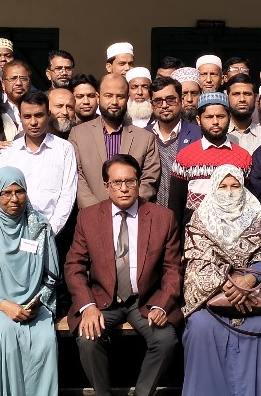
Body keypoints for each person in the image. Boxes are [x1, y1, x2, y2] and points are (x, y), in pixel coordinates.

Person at [67, 155, 182, 396]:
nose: (124, 188)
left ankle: (142, 393)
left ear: (139, 182)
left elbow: (173, 269)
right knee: (88, 339)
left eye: (130, 181)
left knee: (165, 341)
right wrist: (87, 306)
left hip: (146, 301)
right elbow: (74, 266)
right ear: (106, 186)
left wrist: (162, 305)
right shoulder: (88, 217)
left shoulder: (162, 218)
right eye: (117, 182)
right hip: (102, 300)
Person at [0, 168, 60, 396]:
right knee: (3, 332)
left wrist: (37, 303)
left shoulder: (39, 228)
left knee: (44, 338)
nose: (14, 199)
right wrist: (4, 305)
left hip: (32, 307)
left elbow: (51, 278)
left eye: (19, 191)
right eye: (6, 193)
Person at [182, 165, 261, 396]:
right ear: (214, 188)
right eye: (223, 186)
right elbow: (196, 261)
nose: (229, 192)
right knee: (200, 327)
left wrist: (250, 279)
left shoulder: (256, 216)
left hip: (252, 297)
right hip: (212, 297)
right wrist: (227, 285)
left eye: (235, 186)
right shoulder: (200, 218)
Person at [0, 91, 79, 236]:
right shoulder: (8, 152)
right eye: (27, 116)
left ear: (49, 115)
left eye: (39, 115)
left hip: (53, 232)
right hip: (14, 231)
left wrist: (50, 231)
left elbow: (68, 194)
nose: (33, 122)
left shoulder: (64, 149)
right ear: (20, 117)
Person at [69, 74, 161, 208]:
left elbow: (149, 180)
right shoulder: (78, 134)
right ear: (98, 97)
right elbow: (77, 178)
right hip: (91, 214)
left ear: (128, 98)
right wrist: (98, 212)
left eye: (120, 96)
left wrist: (127, 206)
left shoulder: (145, 138)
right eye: (108, 96)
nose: (114, 102)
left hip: (132, 213)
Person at [169, 92, 254, 224]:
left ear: (229, 118)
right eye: (209, 117)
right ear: (198, 120)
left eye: (220, 116)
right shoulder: (185, 156)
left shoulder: (243, 157)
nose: (215, 122)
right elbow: (176, 205)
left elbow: (248, 203)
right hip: (194, 232)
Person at [146, 76, 202, 208]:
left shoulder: (198, 135)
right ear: (152, 105)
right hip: (151, 213)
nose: (164, 105)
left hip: (187, 212)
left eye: (170, 100)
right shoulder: (143, 135)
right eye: (158, 101)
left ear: (181, 101)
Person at [225, 74, 261, 154]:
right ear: (227, 97)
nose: (242, 99)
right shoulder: (218, 135)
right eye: (236, 94)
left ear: (255, 97)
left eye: (247, 94)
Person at [2, 60, 34, 135]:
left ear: (30, 83)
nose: (18, 83)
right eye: (13, 78)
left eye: (23, 78)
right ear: (3, 85)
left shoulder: (39, 107)